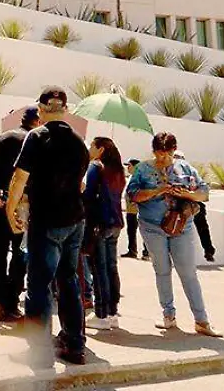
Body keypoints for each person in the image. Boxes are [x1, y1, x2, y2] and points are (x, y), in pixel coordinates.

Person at [6, 87, 90, 365]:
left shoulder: (36, 136)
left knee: (39, 286)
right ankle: (74, 344)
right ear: (65, 109)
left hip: (48, 220)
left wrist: (11, 209)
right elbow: (80, 184)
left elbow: (19, 178)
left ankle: (39, 352)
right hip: (75, 219)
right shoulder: (79, 142)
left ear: (40, 110)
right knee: (69, 281)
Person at [125, 132, 222, 337]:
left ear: (173, 151)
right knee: (162, 270)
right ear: (153, 151)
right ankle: (168, 314)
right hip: (152, 226)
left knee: (188, 273)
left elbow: (204, 193)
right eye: (159, 155)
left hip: (182, 225)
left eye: (167, 155)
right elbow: (132, 195)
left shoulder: (185, 168)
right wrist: (157, 191)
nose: (163, 159)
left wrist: (186, 194)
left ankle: (201, 320)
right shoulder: (142, 169)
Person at [0, 107, 37, 324]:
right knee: (20, 254)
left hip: (0, 202)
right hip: (23, 204)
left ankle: (1, 295)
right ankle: (9, 300)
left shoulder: (5, 137)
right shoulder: (38, 140)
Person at [84, 137, 126, 331]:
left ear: (100, 149)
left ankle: (101, 313)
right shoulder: (118, 170)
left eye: (92, 146)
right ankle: (112, 311)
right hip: (115, 221)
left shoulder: (95, 167)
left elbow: (89, 195)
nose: (90, 149)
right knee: (111, 268)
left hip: (100, 223)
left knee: (99, 269)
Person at [121, 158, 147, 260]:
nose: (128, 168)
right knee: (131, 231)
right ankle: (132, 250)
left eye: (129, 165)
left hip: (137, 209)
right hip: (130, 210)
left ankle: (146, 252)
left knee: (143, 231)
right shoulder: (132, 177)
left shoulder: (140, 177)